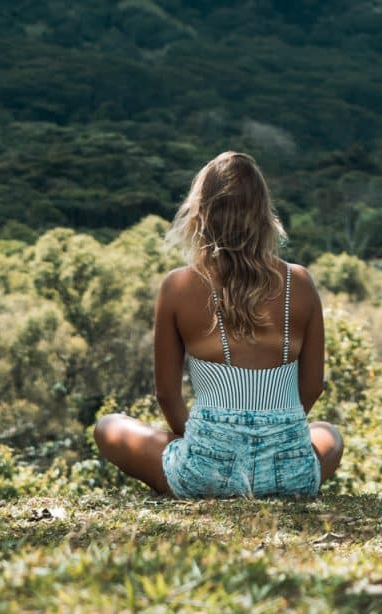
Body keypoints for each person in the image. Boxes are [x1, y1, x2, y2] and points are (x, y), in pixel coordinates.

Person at [94, 151, 343, 498]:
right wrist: (274, 434)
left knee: (109, 426)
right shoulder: (300, 282)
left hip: (205, 474)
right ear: (263, 213)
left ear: (201, 213)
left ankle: (197, 477)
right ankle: (274, 478)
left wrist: (209, 445)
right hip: (290, 474)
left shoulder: (178, 286)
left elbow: (167, 394)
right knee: (329, 433)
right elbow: (313, 385)